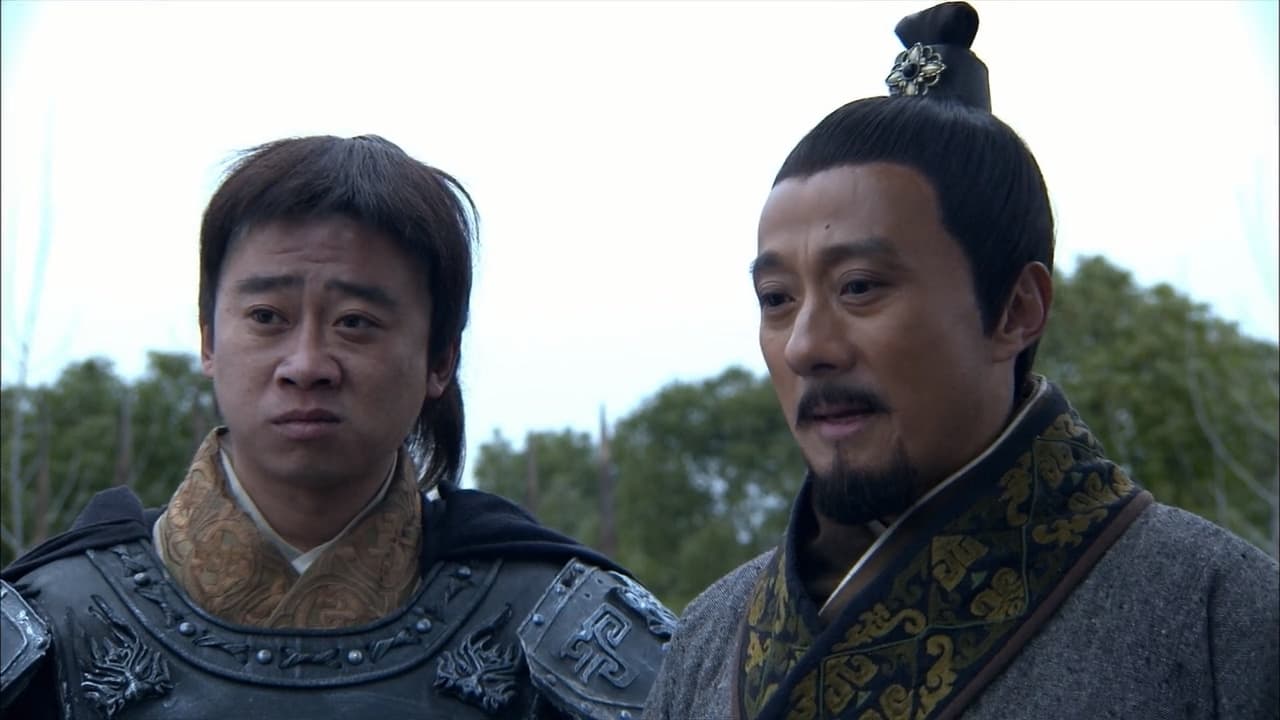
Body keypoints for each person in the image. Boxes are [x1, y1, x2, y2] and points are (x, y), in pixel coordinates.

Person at [643, 3, 1280, 719]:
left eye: (859, 287)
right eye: (776, 298)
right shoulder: (708, 638)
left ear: (1016, 310)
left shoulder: (1224, 618)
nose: (806, 347)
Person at [1, 134, 674, 719]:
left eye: (356, 322)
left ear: (440, 359)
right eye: (267, 317)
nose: (306, 365)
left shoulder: (560, 631)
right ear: (208, 339)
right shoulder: (53, 626)